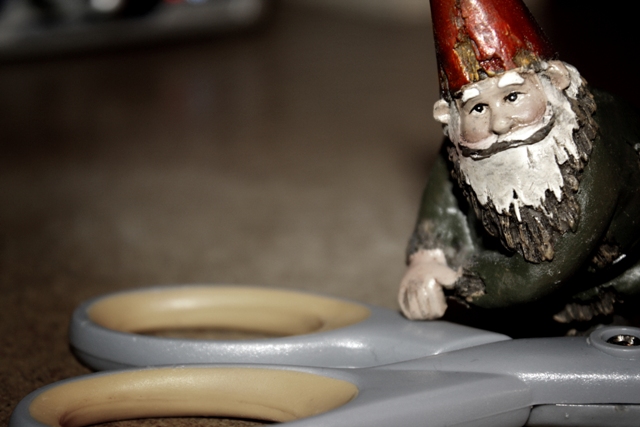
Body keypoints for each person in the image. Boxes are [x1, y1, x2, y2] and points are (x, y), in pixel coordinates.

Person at [399, 0, 640, 333]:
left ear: (555, 79)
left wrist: (455, 277)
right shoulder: (469, 143)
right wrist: (426, 261)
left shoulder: (594, 158)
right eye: (478, 108)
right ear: (448, 118)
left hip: (618, 269)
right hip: (516, 268)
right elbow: (443, 202)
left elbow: (542, 270)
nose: (499, 123)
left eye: (512, 96)